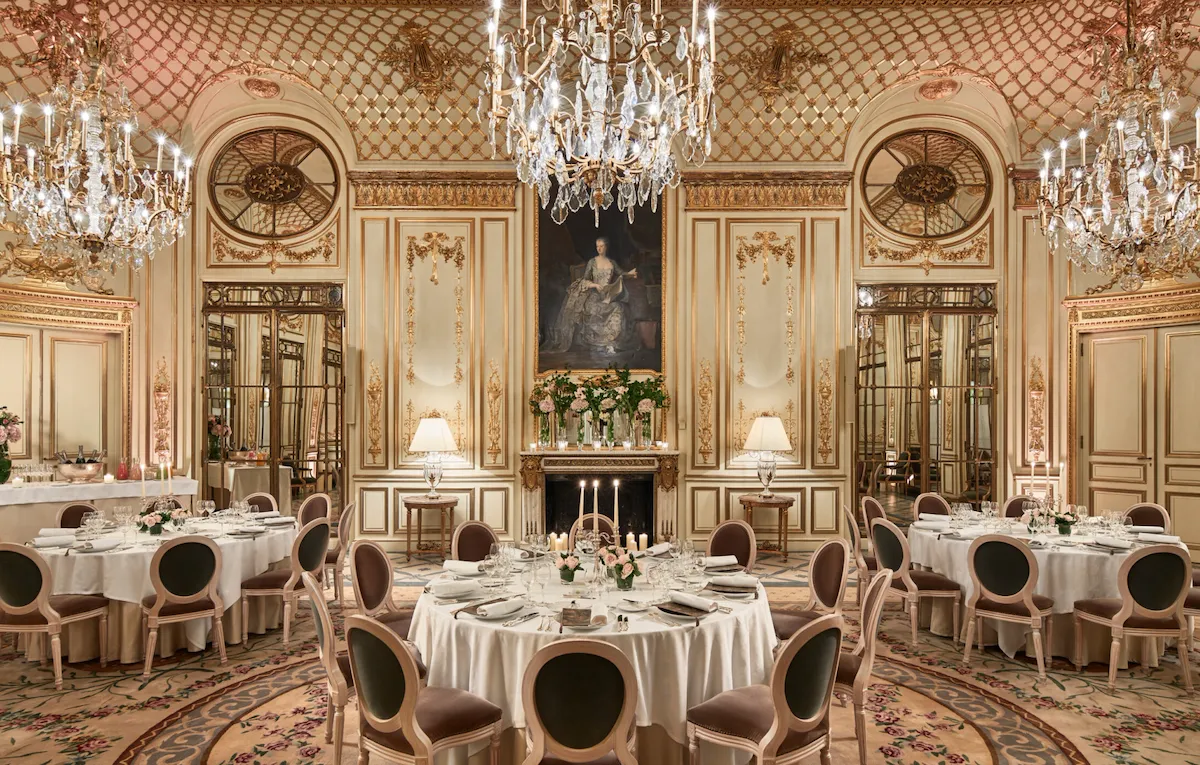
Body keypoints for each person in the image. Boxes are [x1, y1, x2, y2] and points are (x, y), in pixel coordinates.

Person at [542, 237, 639, 355]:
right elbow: (585, 280)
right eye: (597, 246)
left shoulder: (611, 262)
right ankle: (597, 344)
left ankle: (611, 342)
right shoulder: (592, 262)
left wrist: (629, 274)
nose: (599, 249)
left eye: (601, 246)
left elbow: (621, 273)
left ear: (606, 247)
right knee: (594, 308)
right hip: (593, 295)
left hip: (607, 295)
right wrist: (595, 285)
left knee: (618, 308)